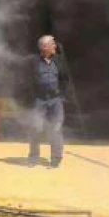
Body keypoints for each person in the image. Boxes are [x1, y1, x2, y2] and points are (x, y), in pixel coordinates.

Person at [26, 34, 69, 168]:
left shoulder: (59, 61)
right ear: (44, 47)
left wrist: (62, 95)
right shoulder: (34, 62)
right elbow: (28, 82)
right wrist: (32, 98)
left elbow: (65, 79)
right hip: (39, 100)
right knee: (36, 128)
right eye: (52, 44)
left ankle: (55, 159)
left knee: (55, 128)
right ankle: (33, 158)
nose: (55, 46)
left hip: (55, 100)